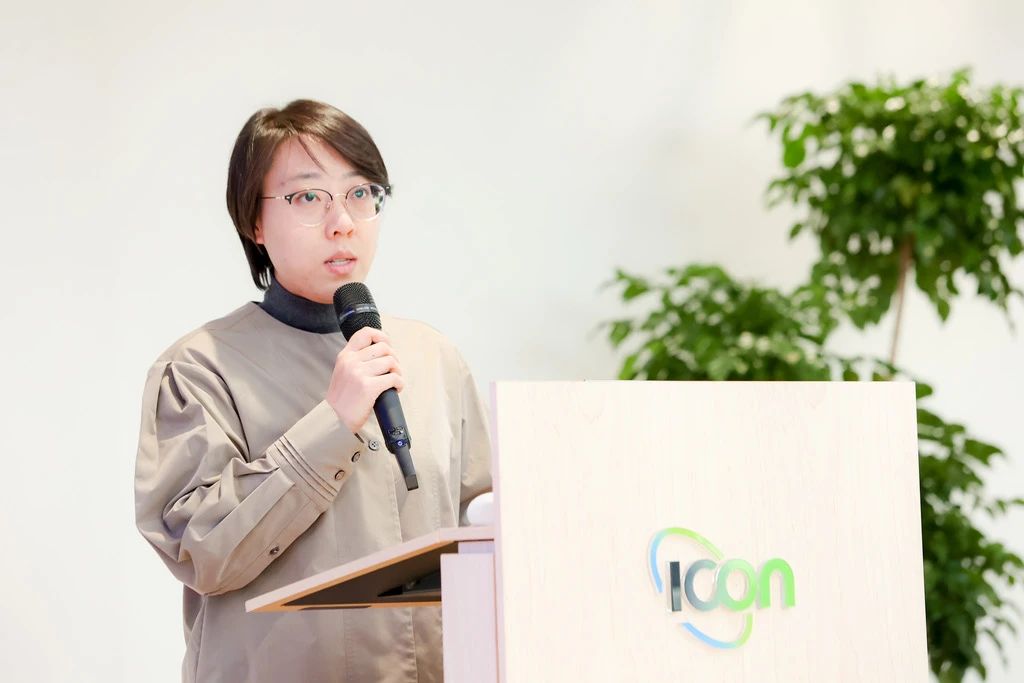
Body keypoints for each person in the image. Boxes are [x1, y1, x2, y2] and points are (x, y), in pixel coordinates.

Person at [133, 99, 493, 683]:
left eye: (360, 193)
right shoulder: (199, 368)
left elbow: (481, 533)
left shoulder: (433, 357)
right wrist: (333, 422)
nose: (343, 221)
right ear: (254, 222)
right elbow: (202, 551)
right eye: (307, 197)